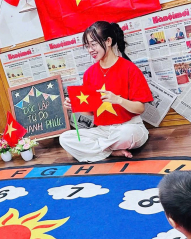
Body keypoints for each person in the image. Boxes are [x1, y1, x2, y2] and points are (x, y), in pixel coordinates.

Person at [60, 21, 153, 162]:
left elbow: (140, 108)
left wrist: (118, 100)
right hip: (102, 131)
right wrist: (75, 106)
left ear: (108, 41)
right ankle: (111, 151)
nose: (90, 50)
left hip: (129, 127)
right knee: (65, 138)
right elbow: (90, 112)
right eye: (87, 46)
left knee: (127, 134)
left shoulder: (129, 69)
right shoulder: (89, 74)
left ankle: (100, 149)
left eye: (93, 44)